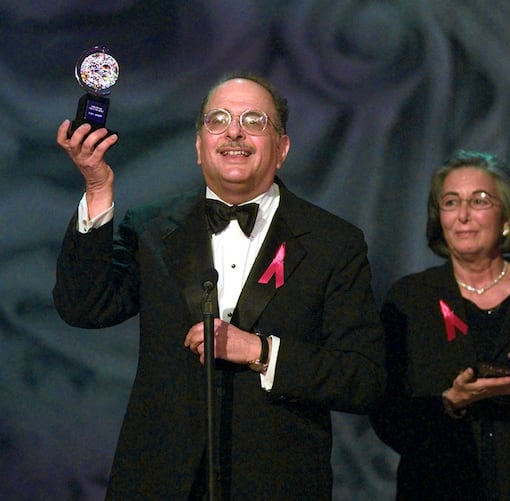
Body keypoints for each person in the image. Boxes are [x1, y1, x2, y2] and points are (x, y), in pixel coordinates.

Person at [53, 72, 386, 499]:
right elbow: (84, 306)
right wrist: (98, 189)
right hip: (159, 482)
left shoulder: (332, 243)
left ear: (282, 148)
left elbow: (363, 378)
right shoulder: (152, 228)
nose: (234, 131)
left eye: (254, 121)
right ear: (198, 146)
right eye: (218, 120)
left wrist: (261, 352)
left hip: (275, 482)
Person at [370, 150, 510, 500]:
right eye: (450, 202)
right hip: (441, 488)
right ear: (439, 218)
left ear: (506, 216)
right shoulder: (410, 299)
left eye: (479, 200)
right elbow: (386, 411)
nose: (462, 215)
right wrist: (450, 402)